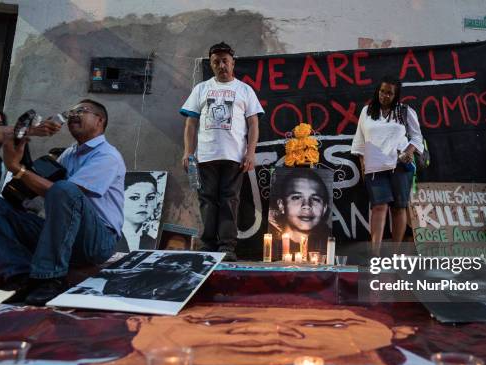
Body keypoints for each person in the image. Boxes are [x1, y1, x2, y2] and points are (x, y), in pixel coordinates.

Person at [0, 99, 126, 305]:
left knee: (66, 188)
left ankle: (50, 278)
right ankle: (21, 275)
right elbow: (40, 192)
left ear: (100, 120)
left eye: (82, 111)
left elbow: (62, 193)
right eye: (72, 111)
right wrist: (20, 159)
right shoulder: (68, 154)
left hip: (96, 241)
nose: (74, 115)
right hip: (62, 233)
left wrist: (17, 169)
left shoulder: (107, 156)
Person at [179, 42, 264, 262]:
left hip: (234, 157)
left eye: (225, 60)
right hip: (205, 156)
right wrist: (188, 152)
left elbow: (254, 124)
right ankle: (208, 245)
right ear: (211, 64)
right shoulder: (201, 88)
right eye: (216, 61)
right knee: (206, 200)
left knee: (230, 200)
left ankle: (227, 247)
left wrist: (251, 152)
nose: (221, 65)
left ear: (232, 62)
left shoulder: (244, 90)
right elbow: (190, 123)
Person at [351, 76, 424, 257]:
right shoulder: (367, 111)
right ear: (378, 91)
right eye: (382, 91)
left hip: (399, 165)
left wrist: (409, 151)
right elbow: (360, 141)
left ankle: (395, 254)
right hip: (374, 166)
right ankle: (375, 254)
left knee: (398, 207)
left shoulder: (404, 111)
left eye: (389, 93)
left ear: (396, 95)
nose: (384, 96)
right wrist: (362, 165)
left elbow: (416, 137)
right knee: (378, 206)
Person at [97, 253, 211, 301]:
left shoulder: (195, 282)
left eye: (183, 262)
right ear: (157, 262)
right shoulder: (139, 272)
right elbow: (108, 273)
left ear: (190, 267)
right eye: (169, 260)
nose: (173, 265)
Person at [269, 168, 331, 253]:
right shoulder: (271, 244)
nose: (306, 205)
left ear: (324, 208)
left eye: (315, 199)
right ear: (281, 205)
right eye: (296, 197)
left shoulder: (329, 244)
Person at [114, 172, 158, 252]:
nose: (144, 204)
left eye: (150, 197)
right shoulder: (107, 237)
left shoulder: (152, 241)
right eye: (134, 198)